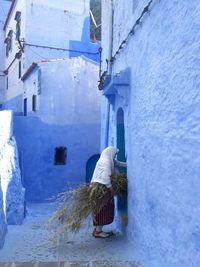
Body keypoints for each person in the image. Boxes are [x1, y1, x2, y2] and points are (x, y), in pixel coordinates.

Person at [90, 146, 127, 238]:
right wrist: (111, 189)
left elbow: (118, 164)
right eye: (115, 154)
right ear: (110, 153)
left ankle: (96, 230)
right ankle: (98, 232)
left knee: (101, 209)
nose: (115, 156)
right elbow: (105, 177)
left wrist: (129, 165)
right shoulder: (105, 162)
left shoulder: (107, 159)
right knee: (103, 210)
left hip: (101, 188)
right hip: (102, 189)